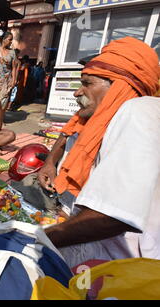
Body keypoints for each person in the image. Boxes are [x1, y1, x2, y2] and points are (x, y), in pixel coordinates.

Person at [34, 37, 160, 268]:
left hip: (121, 260)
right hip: (81, 225)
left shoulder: (140, 110)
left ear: (119, 85)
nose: (77, 93)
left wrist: (41, 240)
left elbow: (113, 216)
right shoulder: (94, 116)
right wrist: (50, 164)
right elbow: (65, 136)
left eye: (87, 83)